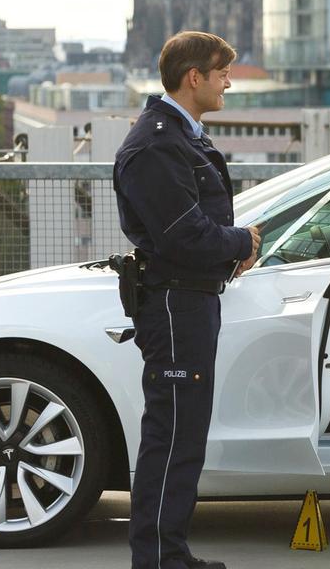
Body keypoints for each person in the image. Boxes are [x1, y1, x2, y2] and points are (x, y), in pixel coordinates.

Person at [114, 31, 261, 569]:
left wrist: (229, 249)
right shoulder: (157, 142)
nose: (229, 82)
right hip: (175, 304)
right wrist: (240, 241)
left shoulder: (181, 135)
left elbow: (195, 228)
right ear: (193, 76)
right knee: (172, 436)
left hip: (191, 300)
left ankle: (168, 553)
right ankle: (157, 560)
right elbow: (184, 234)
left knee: (183, 435)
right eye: (222, 72)